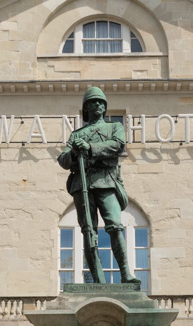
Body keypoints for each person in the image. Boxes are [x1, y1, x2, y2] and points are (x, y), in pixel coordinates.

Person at [57, 87, 140, 285]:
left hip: (106, 181)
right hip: (82, 185)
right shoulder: (77, 134)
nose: (97, 105)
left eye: (101, 102)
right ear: (86, 108)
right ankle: (97, 279)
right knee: (88, 230)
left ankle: (126, 274)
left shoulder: (114, 128)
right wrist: (74, 153)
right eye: (93, 102)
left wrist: (91, 148)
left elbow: (118, 145)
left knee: (114, 226)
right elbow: (62, 159)